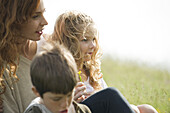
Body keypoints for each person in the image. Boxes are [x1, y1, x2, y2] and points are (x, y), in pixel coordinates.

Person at [41, 10, 158, 113]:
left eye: (93, 39)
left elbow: (106, 103)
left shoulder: (90, 70)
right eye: (85, 40)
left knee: (147, 110)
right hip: (77, 110)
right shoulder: (59, 71)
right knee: (110, 94)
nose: (92, 45)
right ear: (69, 42)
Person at [0, 0, 48, 112]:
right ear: (13, 19)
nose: (45, 22)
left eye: (43, 13)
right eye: (35, 16)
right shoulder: (3, 68)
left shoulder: (50, 49)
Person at [24, 42, 91, 113]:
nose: (65, 104)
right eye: (57, 99)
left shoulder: (82, 110)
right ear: (37, 91)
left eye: (69, 95)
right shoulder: (35, 111)